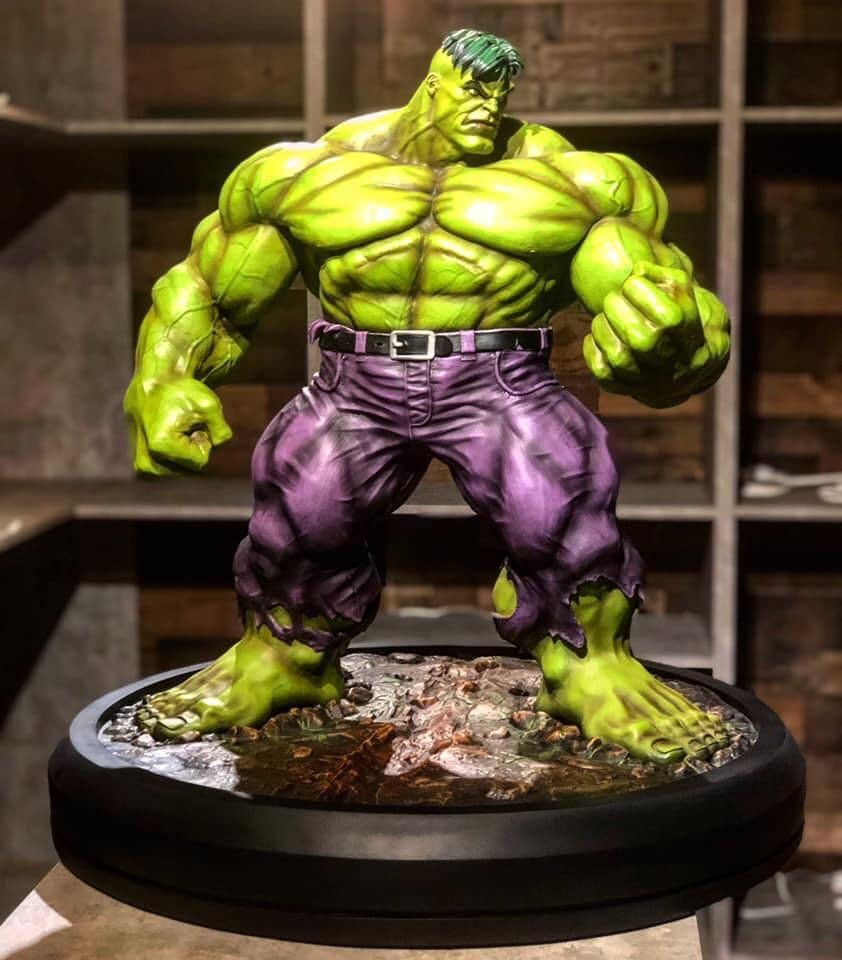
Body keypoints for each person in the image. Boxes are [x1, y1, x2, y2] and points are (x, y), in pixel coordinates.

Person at [127, 29, 730, 763]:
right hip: (355, 380)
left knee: (559, 507)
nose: (488, 107)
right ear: (432, 81)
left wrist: (670, 343)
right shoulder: (305, 175)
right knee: (299, 508)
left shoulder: (575, 183)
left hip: (498, 378)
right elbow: (208, 290)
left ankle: (591, 667)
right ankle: (283, 658)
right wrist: (164, 379)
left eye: (501, 93)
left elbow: (669, 303)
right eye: (473, 87)